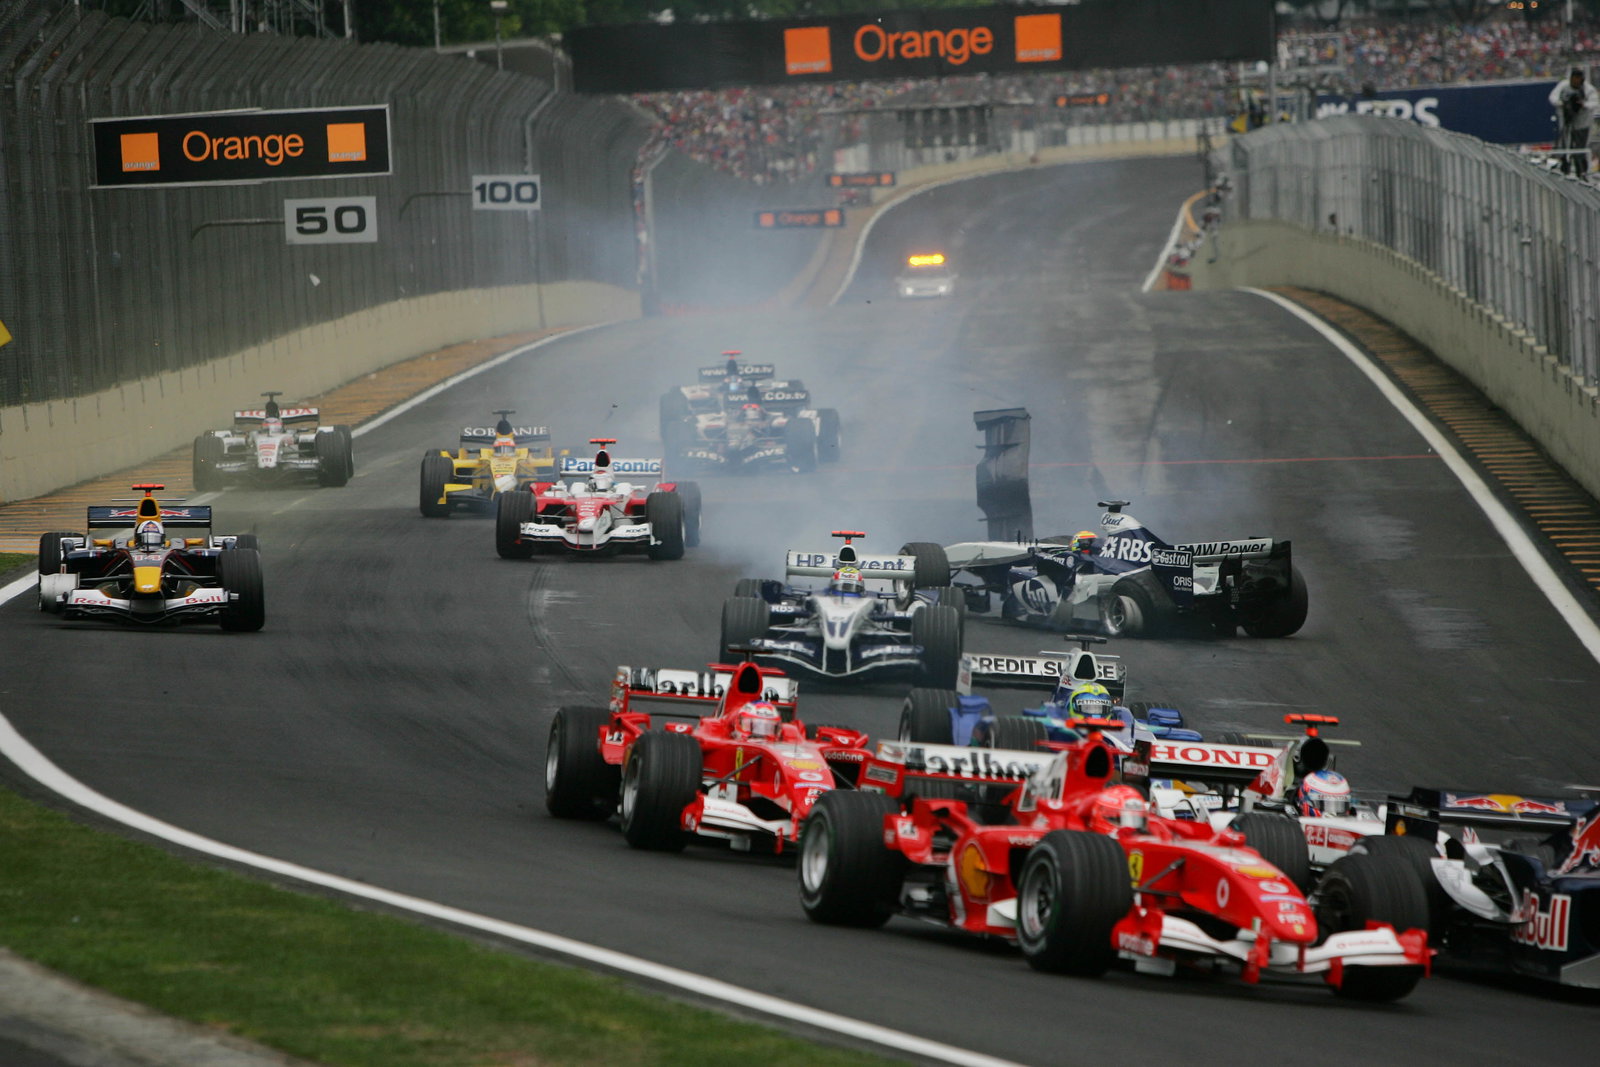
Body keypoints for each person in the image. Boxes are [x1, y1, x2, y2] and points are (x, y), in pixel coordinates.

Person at [1550, 68, 1598, 177]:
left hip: (1582, 123)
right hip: (1566, 121)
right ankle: (1564, 166)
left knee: (1580, 147)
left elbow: (1594, 103)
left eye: (1578, 79)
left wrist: (1583, 105)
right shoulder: (1564, 86)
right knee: (1565, 144)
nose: (1575, 81)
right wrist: (1561, 103)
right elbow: (1553, 97)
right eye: (1574, 78)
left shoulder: (1588, 89)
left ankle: (1581, 170)